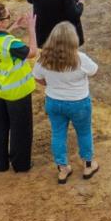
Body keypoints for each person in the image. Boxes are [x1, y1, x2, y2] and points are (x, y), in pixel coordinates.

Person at [34, 23, 100, 184]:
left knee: (58, 134)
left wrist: (50, 84)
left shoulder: (44, 58)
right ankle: (88, 165)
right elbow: (94, 70)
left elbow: (37, 77)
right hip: (78, 102)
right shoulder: (80, 58)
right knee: (84, 133)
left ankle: (62, 168)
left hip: (54, 101)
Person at [0, 3, 36, 173]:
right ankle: (21, 164)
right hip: (17, 94)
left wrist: (14, 26)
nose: (10, 19)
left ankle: (0, 164)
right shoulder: (11, 43)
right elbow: (32, 52)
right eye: (8, 18)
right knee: (21, 131)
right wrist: (31, 29)